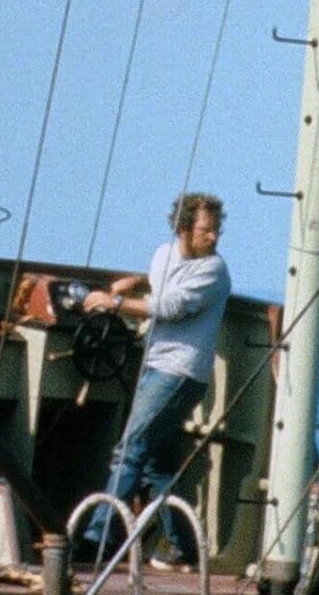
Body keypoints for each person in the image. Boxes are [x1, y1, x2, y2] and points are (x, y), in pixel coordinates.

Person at [82, 192, 230, 569]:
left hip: (180, 373)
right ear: (183, 229)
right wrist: (135, 282)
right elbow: (161, 284)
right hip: (155, 367)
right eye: (205, 230)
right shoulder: (164, 254)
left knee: (130, 450)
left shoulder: (214, 271)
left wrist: (113, 303)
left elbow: (170, 307)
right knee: (156, 464)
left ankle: (97, 539)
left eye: (216, 229)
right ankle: (184, 548)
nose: (213, 236)